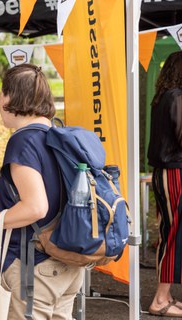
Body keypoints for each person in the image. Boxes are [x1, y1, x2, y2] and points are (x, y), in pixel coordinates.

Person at [0, 64, 84, 319]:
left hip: (35, 267)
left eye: (0, 94)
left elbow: (35, 207)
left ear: (9, 98)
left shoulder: (23, 140)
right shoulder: (58, 136)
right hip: (67, 262)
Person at [147, 51, 182, 318]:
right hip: (174, 173)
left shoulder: (163, 97)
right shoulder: (177, 97)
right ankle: (160, 299)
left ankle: (166, 295)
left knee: (169, 233)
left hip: (164, 173)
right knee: (172, 235)